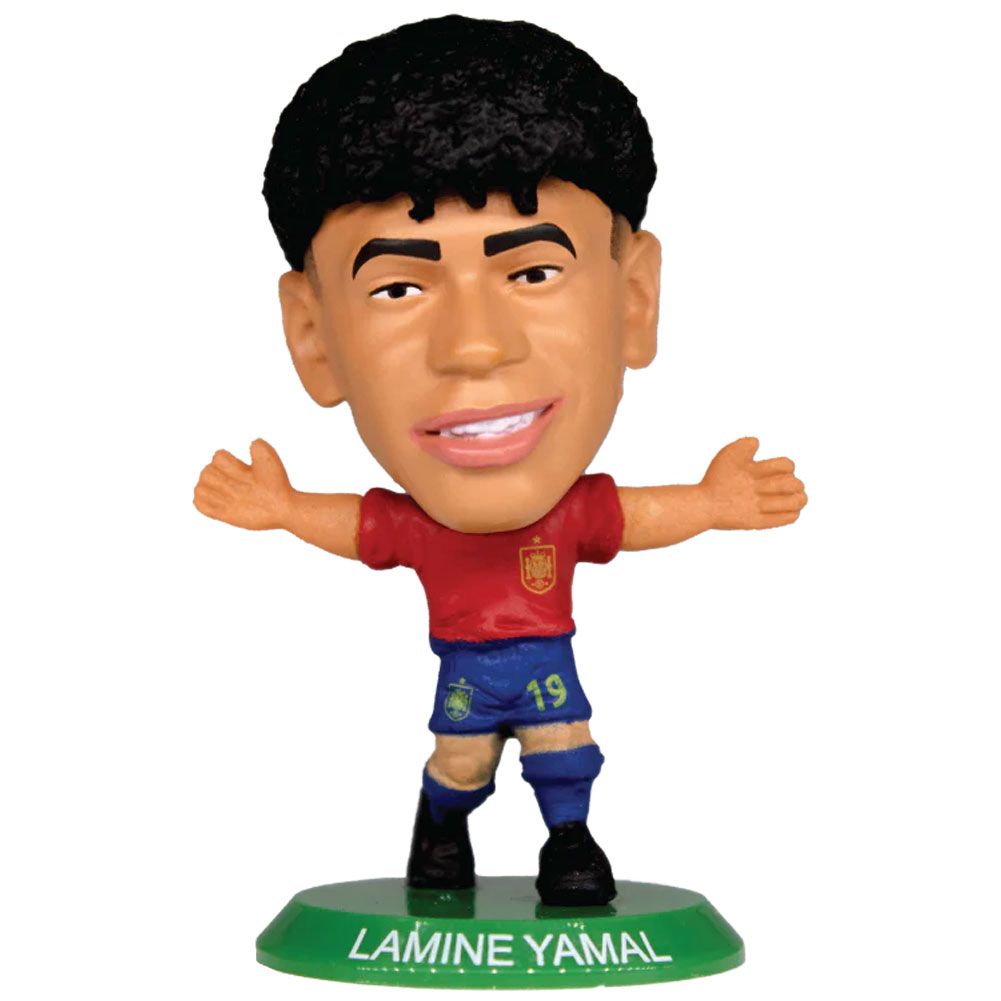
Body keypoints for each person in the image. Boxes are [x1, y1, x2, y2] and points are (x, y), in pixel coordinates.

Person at [193, 14, 807, 906]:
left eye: (532, 272)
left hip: (543, 657)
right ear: (314, 337)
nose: (475, 346)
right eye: (398, 287)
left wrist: (713, 503)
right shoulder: (418, 529)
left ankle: (570, 840)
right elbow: (359, 525)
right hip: (467, 670)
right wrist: (284, 509)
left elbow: (636, 515)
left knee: (567, 743)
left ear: (634, 301)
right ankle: (441, 823)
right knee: (462, 759)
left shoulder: (571, 516)